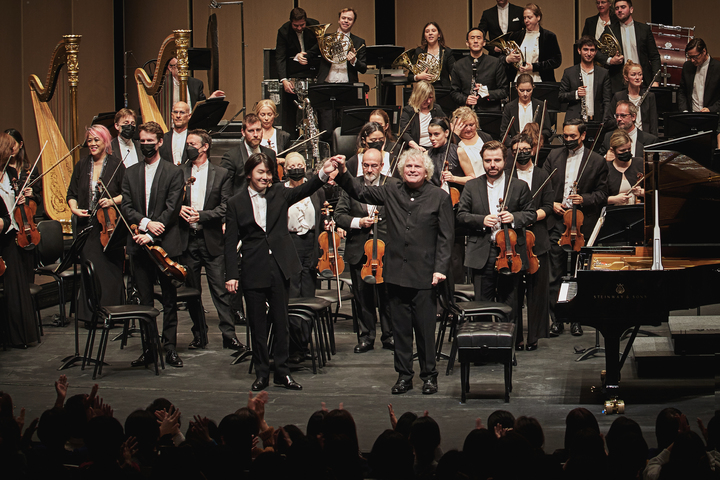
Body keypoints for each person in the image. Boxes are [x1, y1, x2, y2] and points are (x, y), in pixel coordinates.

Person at [335, 149, 454, 395]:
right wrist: (344, 173)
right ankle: (404, 376)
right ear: (401, 170)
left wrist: (440, 269)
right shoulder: (391, 190)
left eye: (417, 167)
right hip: (396, 273)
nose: (412, 170)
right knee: (400, 330)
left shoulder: (438, 197)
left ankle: (429, 376)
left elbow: (446, 237)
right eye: (408, 166)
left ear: (426, 172)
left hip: (424, 274)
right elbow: (360, 191)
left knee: (424, 329)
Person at [224, 153, 339, 391]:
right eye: (260, 173)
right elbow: (230, 241)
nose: (265, 177)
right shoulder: (236, 203)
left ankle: (283, 373)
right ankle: (262, 373)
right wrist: (231, 275)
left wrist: (324, 172)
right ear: (249, 174)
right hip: (253, 268)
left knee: (281, 321)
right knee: (257, 324)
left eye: (268, 173)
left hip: (279, 266)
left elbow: (305, 189)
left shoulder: (279, 192)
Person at [121, 121, 185, 368]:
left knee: (169, 300)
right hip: (139, 244)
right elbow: (126, 207)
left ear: (160, 142)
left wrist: (153, 234)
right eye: (142, 141)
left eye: (150, 141)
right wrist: (146, 225)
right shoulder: (130, 172)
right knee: (144, 301)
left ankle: (169, 348)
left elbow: (172, 208)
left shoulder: (173, 172)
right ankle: (149, 349)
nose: (146, 144)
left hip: (165, 244)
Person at [178, 129, 244, 351]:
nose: (189, 147)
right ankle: (199, 334)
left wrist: (203, 216)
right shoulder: (180, 172)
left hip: (212, 239)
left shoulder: (221, 173)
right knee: (192, 292)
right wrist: (179, 209)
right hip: (188, 240)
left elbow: (226, 206)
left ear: (205, 146)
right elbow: (171, 201)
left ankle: (229, 335)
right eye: (188, 143)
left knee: (220, 290)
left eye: (192, 143)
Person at [456, 140, 534, 330]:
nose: (492, 165)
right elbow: (460, 215)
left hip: (510, 252)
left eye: (497, 160)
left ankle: (508, 349)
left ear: (505, 160)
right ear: (482, 161)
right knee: (482, 302)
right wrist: (481, 220)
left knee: (510, 302)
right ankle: (483, 348)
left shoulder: (519, 185)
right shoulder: (472, 186)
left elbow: (530, 213)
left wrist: (513, 217)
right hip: (483, 251)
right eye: (488, 160)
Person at [543, 119, 608, 337]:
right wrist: (551, 203)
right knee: (555, 274)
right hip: (557, 222)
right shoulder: (553, 156)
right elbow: (543, 185)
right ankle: (557, 319)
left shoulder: (597, 161)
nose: (568, 140)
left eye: (572, 136)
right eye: (565, 136)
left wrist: (584, 199)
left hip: (582, 224)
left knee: (580, 274)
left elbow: (602, 194)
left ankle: (578, 318)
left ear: (582, 135)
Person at [334, 148, 396, 353]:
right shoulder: (352, 185)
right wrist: (358, 222)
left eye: (374, 165)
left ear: (381, 166)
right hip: (359, 249)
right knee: (363, 297)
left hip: (386, 250)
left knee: (387, 295)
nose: (370, 169)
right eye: (366, 165)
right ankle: (366, 337)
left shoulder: (392, 185)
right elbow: (339, 215)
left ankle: (390, 336)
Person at [67, 125, 125, 333]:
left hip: (109, 226)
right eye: (89, 140)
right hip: (87, 227)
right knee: (90, 270)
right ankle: (91, 314)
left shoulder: (117, 165)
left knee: (109, 270)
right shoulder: (81, 165)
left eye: (96, 140)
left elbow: (126, 194)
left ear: (105, 141)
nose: (92, 144)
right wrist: (74, 209)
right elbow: (71, 193)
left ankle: (112, 313)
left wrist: (111, 201)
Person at [509, 134, 553, 351]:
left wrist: (529, 217)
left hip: (537, 237)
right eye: (518, 149)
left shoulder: (543, 174)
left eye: (526, 148)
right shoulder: (507, 176)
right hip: (512, 239)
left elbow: (547, 206)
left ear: (533, 150)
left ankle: (534, 335)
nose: (523, 152)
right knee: (514, 291)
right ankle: (515, 335)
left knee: (537, 291)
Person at [0, 132, 38, 348]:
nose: (12, 152)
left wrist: (20, 197)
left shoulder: (12, 172)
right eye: (9, 148)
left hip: (12, 231)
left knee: (17, 286)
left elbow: (13, 198)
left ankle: (19, 335)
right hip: (1, 234)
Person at [310, 7, 367, 142]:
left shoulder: (359, 42)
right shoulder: (326, 38)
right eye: (344, 18)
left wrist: (354, 61)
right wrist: (302, 55)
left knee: (345, 129)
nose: (346, 21)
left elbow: (363, 68)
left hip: (347, 89)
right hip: (327, 87)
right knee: (326, 129)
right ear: (339, 19)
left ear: (353, 22)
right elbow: (311, 53)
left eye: (349, 19)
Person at [284, 152, 325, 299]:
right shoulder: (281, 191)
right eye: (292, 166)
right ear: (286, 170)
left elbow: (321, 216)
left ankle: (308, 322)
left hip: (311, 241)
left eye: (299, 165)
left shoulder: (316, 191)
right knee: (293, 285)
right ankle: (293, 321)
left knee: (309, 284)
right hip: (291, 241)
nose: (296, 169)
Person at [597, 0, 661, 93]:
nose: (619, 10)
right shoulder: (610, 30)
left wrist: (656, 80)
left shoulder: (644, 29)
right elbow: (596, 50)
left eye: (623, 7)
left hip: (642, 81)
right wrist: (610, 60)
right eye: (617, 8)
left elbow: (654, 56)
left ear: (631, 9)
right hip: (619, 83)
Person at [275, 7, 320, 134]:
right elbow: (280, 56)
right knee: (290, 109)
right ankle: (291, 139)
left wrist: (306, 54)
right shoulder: (283, 31)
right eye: (296, 25)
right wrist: (284, 80)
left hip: (313, 70)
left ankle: (319, 138)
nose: (299, 28)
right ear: (291, 22)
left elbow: (320, 45)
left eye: (302, 25)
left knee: (318, 107)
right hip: (293, 72)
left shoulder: (314, 25)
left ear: (306, 21)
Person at [221, 114, 279, 195]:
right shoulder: (231, 157)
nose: (255, 134)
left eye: (258, 130)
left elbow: (275, 183)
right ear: (243, 132)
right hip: (240, 204)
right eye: (251, 131)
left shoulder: (270, 154)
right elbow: (225, 189)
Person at [451, 28, 507, 112]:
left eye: (479, 38)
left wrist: (488, 93)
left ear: (484, 43)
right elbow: (454, 92)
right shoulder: (458, 65)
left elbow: (504, 91)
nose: (475, 41)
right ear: (467, 43)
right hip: (466, 113)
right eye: (472, 38)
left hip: (489, 112)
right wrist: (465, 100)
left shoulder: (495, 63)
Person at [502, 4, 562, 83]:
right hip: (518, 80)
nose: (526, 20)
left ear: (538, 17)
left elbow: (556, 61)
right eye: (524, 18)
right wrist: (509, 59)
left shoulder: (549, 36)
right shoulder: (516, 36)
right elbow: (502, 58)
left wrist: (534, 67)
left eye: (529, 17)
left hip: (541, 81)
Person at [560, 36, 612, 123]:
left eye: (592, 50)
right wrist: (576, 94)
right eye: (585, 49)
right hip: (575, 121)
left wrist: (605, 120)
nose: (589, 53)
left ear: (595, 52)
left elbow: (607, 100)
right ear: (579, 50)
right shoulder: (569, 72)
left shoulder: (603, 73)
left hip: (596, 120)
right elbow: (561, 96)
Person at [678, 38, 720, 145]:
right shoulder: (687, 67)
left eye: (695, 57)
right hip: (691, 120)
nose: (692, 60)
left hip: (711, 120)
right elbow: (682, 91)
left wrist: (711, 109)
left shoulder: (718, 68)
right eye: (690, 57)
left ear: (704, 52)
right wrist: (684, 111)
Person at [605, 61, 658, 136]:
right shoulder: (618, 96)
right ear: (626, 78)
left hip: (644, 137)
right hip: (623, 137)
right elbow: (608, 122)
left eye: (640, 74)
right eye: (633, 75)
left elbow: (653, 122)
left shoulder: (649, 96)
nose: (637, 78)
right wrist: (622, 118)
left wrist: (653, 140)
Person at [4, 128, 44, 225]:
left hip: (27, 219)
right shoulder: (4, 170)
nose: (11, 148)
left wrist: (32, 194)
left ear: (21, 144)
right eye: (7, 145)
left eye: (13, 144)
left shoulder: (31, 169)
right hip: (8, 216)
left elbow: (39, 199)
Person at [500, 74, 552, 145]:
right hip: (515, 147)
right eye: (521, 90)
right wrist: (513, 144)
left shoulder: (541, 105)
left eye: (528, 90)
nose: (525, 94)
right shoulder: (509, 107)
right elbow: (503, 132)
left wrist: (536, 138)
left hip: (535, 145)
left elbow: (547, 130)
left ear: (533, 88)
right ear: (516, 88)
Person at [426, 118, 475, 191]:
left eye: (436, 134)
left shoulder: (458, 151)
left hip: (456, 197)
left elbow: (472, 178)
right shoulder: (426, 154)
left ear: (446, 133)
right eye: (430, 134)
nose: (432, 138)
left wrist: (454, 178)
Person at [406, 22, 455, 88]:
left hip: (442, 88)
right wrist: (418, 77)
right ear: (424, 36)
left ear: (439, 34)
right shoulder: (419, 51)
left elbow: (454, 74)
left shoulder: (446, 52)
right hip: (424, 88)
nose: (430, 33)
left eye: (433, 31)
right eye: (427, 31)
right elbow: (410, 76)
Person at [399, 81, 445, 152]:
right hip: (417, 149)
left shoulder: (436, 109)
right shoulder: (408, 111)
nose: (429, 101)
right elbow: (404, 133)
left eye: (430, 97)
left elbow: (445, 126)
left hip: (436, 149)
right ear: (417, 96)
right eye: (425, 98)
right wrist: (416, 147)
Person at [451, 106, 493, 176]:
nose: (468, 128)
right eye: (464, 126)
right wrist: (455, 135)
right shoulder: (453, 141)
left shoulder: (486, 137)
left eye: (471, 125)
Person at [605, 129, 644, 205]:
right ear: (612, 150)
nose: (626, 152)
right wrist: (614, 199)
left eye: (629, 149)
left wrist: (642, 192)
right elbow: (597, 198)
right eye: (622, 150)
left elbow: (655, 191)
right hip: (614, 212)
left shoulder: (640, 163)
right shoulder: (605, 168)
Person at [159, 101, 190, 165]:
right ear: (172, 115)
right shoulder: (163, 138)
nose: (178, 116)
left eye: (182, 112)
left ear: (189, 116)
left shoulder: (194, 138)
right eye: (175, 112)